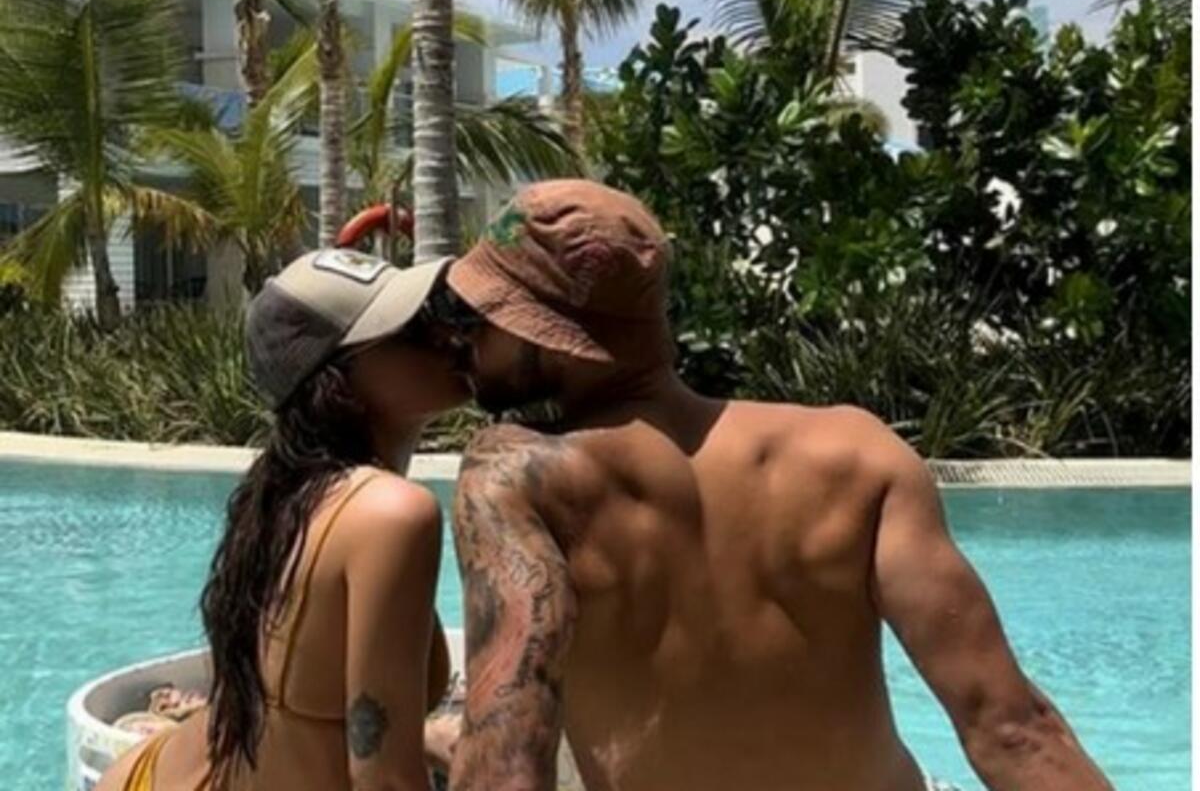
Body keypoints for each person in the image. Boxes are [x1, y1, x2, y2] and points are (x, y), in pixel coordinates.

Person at [441, 180, 1115, 791]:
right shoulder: (856, 452)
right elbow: (1012, 729)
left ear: (548, 335)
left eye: (480, 317)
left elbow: (506, 766)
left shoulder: (515, 476)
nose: (462, 340)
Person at [98, 249, 468, 791]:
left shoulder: (284, 491)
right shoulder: (392, 513)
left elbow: (301, 700)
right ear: (338, 376)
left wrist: (420, 736)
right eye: (411, 327)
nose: (446, 335)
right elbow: (383, 780)